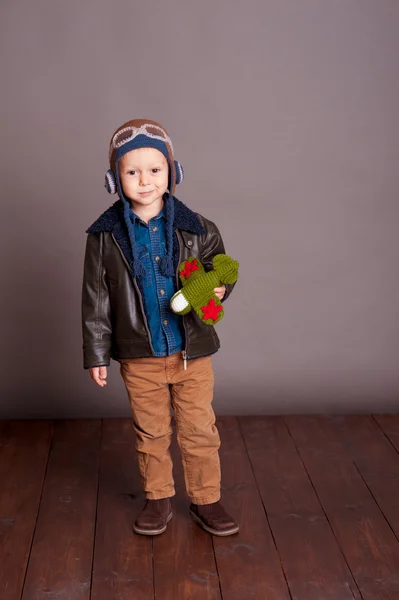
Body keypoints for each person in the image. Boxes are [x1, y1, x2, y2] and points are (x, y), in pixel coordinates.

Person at [81, 118, 239, 536]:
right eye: (132, 172)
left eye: (155, 170)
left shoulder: (197, 226)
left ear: (173, 172)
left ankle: (207, 499)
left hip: (192, 352)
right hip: (140, 355)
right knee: (150, 431)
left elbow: (220, 268)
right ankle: (158, 498)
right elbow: (95, 298)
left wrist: (220, 288)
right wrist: (97, 353)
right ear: (114, 180)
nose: (145, 181)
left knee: (199, 429)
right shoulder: (104, 237)